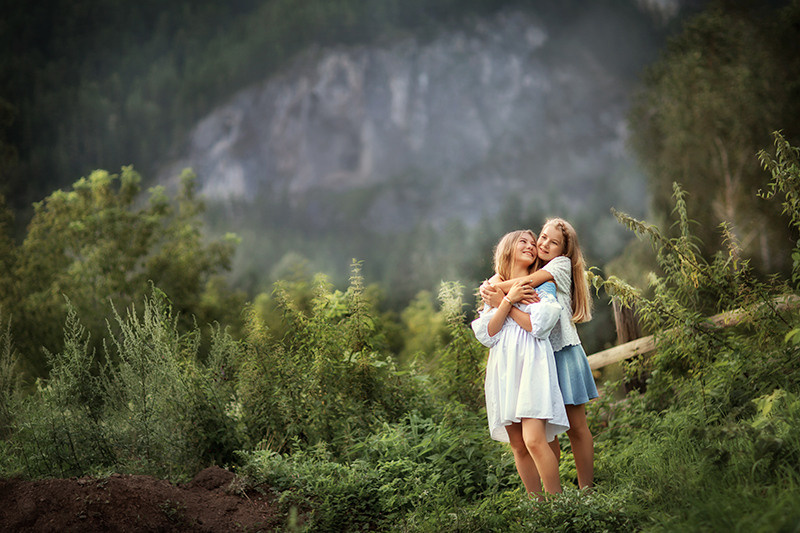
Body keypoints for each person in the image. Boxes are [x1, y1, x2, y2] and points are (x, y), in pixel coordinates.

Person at [481, 218, 598, 490]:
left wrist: (493, 290)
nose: (544, 244)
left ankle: (587, 490)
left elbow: (524, 283)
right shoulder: (533, 267)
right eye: (542, 237)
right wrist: (497, 284)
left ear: (564, 250)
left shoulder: (559, 265)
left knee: (576, 426)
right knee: (546, 434)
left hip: (563, 353)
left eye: (553, 242)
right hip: (538, 358)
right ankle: (552, 492)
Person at [471, 229, 569, 497]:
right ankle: (537, 505)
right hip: (504, 367)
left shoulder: (542, 284)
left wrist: (508, 303)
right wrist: (506, 300)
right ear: (507, 249)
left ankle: (559, 504)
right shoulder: (495, 288)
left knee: (534, 440)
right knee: (518, 444)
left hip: (532, 363)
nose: (531, 246)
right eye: (522, 242)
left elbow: (538, 326)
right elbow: (488, 333)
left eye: (532, 243)